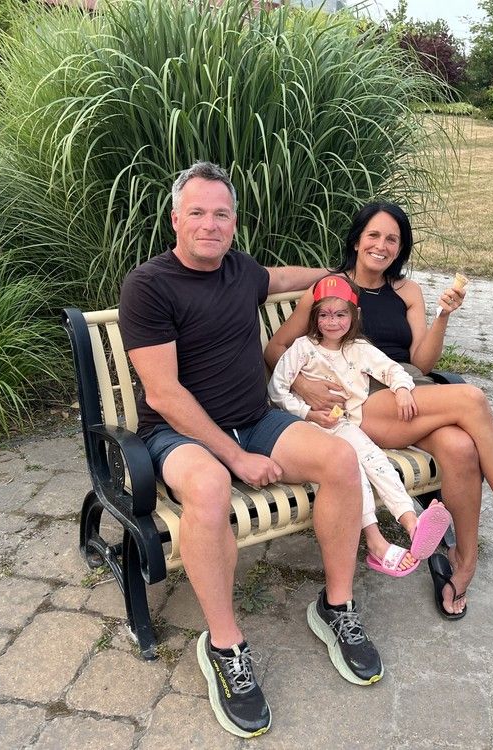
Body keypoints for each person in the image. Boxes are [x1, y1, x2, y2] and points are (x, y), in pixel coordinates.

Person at [118, 162, 383, 740]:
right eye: (197, 213)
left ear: (234, 223)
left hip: (256, 419)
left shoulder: (241, 272)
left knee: (340, 460)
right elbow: (164, 394)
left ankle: (337, 606)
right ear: (175, 220)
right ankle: (224, 645)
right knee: (210, 488)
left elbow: (288, 276)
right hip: (176, 433)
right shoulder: (149, 286)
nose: (210, 224)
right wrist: (235, 460)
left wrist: (347, 276)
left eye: (221, 214)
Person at [265, 201, 493, 621]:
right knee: (470, 398)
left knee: (459, 447)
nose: (381, 245)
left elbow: (424, 361)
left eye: (392, 239)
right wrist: (305, 384)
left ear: (401, 248)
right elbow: (276, 348)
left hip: (410, 395)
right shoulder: (330, 289)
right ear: (357, 239)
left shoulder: (407, 291)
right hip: (364, 403)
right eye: (373, 235)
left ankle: (461, 564)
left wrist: (443, 318)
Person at [268, 274, 452, 577]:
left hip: (343, 426)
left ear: (353, 316)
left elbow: (392, 370)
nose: (332, 322)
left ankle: (412, 522)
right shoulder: (302, 348)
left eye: (340, 314)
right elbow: (277, 391)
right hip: (308, 432)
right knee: (352, 470)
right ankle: (376, 540)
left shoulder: (359, 349)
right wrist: (307, 413)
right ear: (314, 318)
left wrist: (403, 389)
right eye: (324, 315)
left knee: (376, 461)